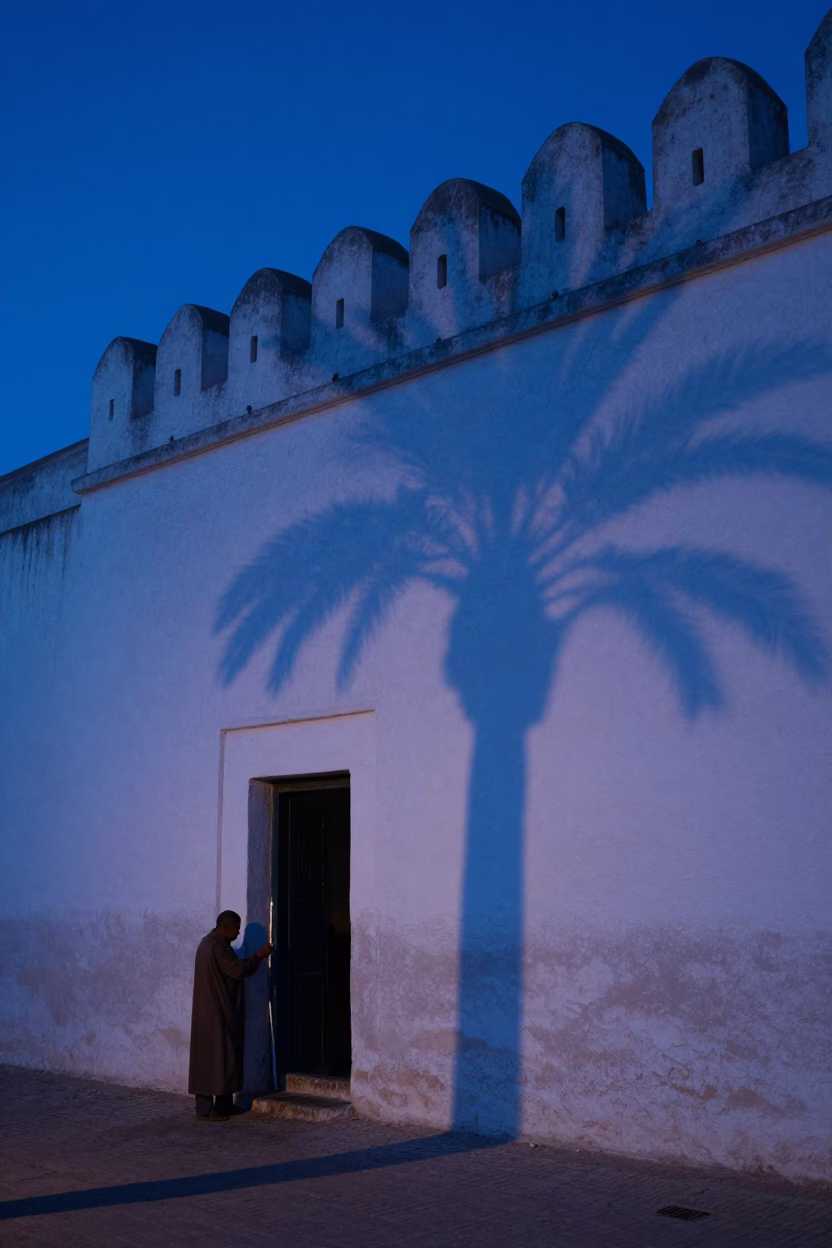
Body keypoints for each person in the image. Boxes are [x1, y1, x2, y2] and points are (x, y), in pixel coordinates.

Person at [188, 910, 272, 1122]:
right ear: (225, 927)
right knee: (217, 1059)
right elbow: (239, 970)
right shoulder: (219, 948)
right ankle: (208, 1110)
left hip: (208, 1012)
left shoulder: (208, 943)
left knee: (219, 1060)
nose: (237, 932)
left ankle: (222, 1106)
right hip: (217, 1013)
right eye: (236, 928)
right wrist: (259, 955)